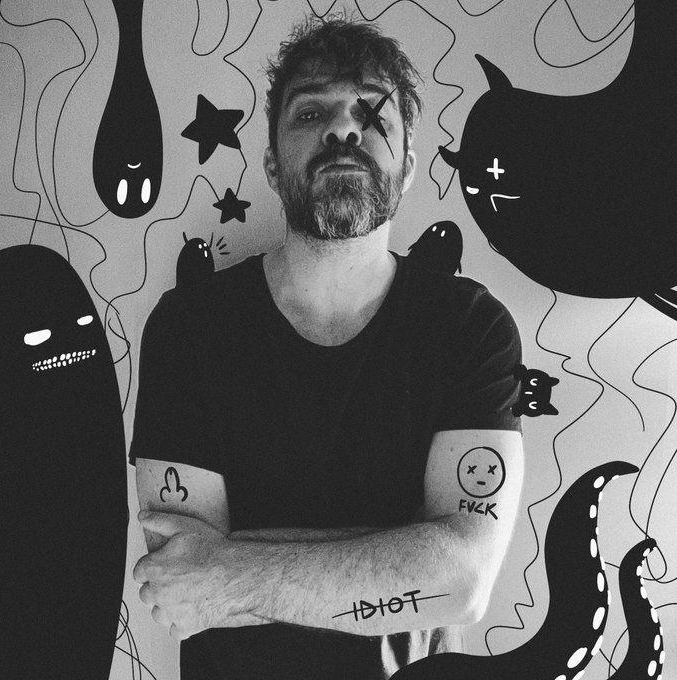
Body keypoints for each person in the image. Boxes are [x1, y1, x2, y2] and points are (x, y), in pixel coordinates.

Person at [130, 15, 524, 680]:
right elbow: (180, 584)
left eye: (371, 115)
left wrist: (228, 569)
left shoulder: (471, 329)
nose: (344, 130)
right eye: (311, 112)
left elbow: (462, 582)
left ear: (408, 167)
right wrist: (408, 552)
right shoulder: (188, 328)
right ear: (271, 162)